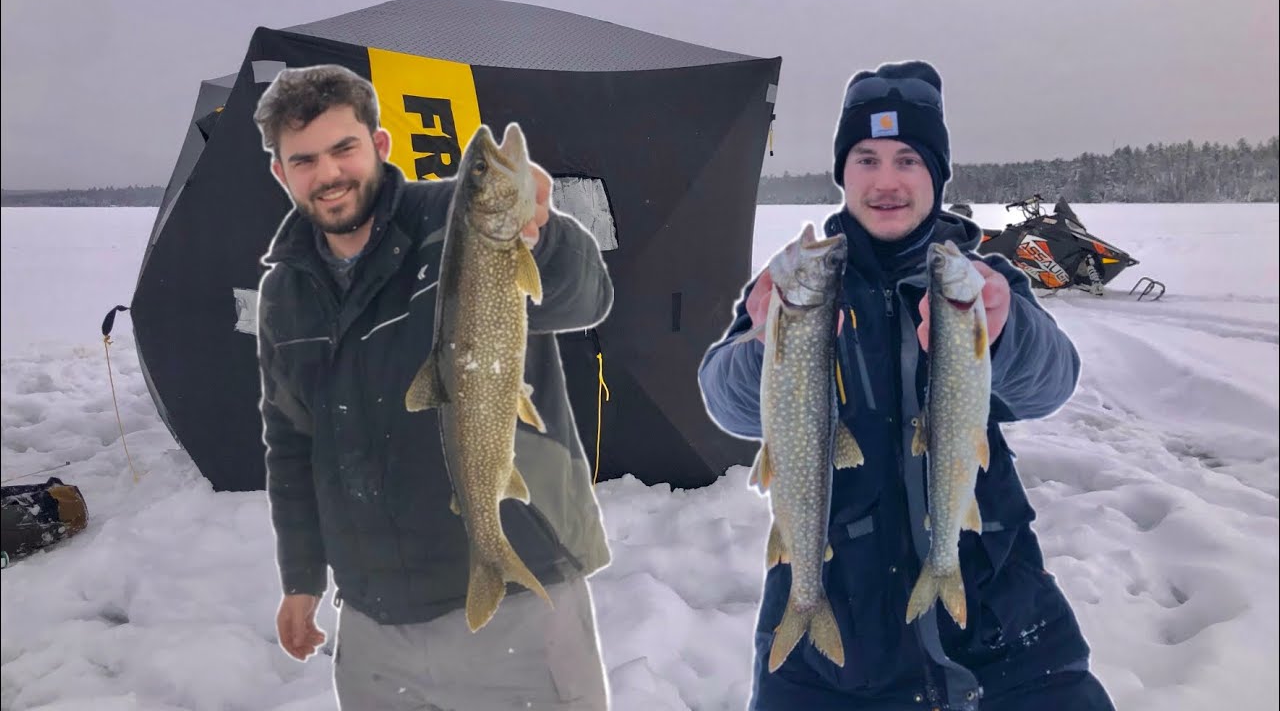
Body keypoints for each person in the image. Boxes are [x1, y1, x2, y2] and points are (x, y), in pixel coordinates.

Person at [698, 61, 1116, 710]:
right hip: (831, 659)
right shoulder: (798, 282)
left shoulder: (983, 281)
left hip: (1005, 634)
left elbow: (1051, 383)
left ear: (937, 175)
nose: (886, 181)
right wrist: (763, 344)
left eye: (908, 160)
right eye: (866, 159)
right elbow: (726, 402)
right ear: (843, 174)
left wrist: (1006, 333)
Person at [251, 64, 614, 710]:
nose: (328, 173)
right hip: (374, 622)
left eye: (344, 148)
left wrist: (545, 235)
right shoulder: (285, 290)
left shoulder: (456, 219)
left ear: (380, 144)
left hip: (523, 601)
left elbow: (583, 297)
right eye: (304, 160)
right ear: (281, 173)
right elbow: (292, 442)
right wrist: (302, 577)